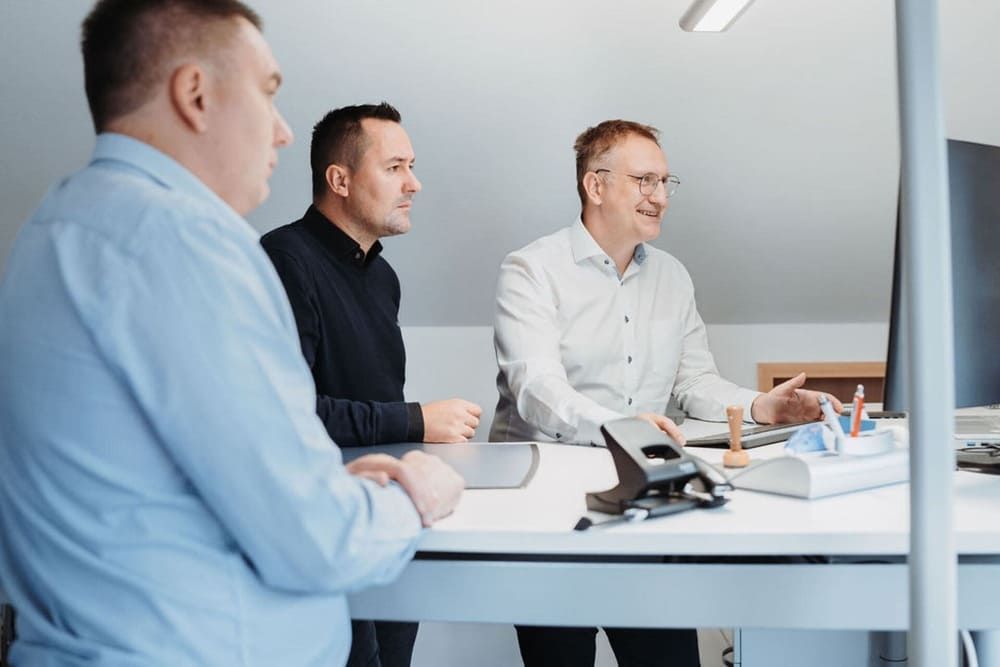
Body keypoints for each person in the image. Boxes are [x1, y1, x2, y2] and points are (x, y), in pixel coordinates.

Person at [0, 2, 463, 665]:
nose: (280, 132)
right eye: (268, 93)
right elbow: (317, 541)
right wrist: (419, 495)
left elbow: (151, 476)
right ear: (194, 95)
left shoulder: (55, 227)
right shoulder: (185, 240)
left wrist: (313, 479)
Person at [490, 119, 841, 666]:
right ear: (596, 184)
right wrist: (621, 427)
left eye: (665, 182)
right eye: (645, 181)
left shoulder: (673, 277)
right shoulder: (532, 269)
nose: (660, 198)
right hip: (550, 513)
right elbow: (537, 390)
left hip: (644, 501)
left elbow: (694, 381)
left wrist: (761, 406)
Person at [261, 103, 482, 666]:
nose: (415, 183)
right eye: (395, 168)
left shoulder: (382, 276)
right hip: (327, 528)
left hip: (388, 516)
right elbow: (290, 415)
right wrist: (416, 419)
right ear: (339, 179)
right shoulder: (283, 261)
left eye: (412, 166)